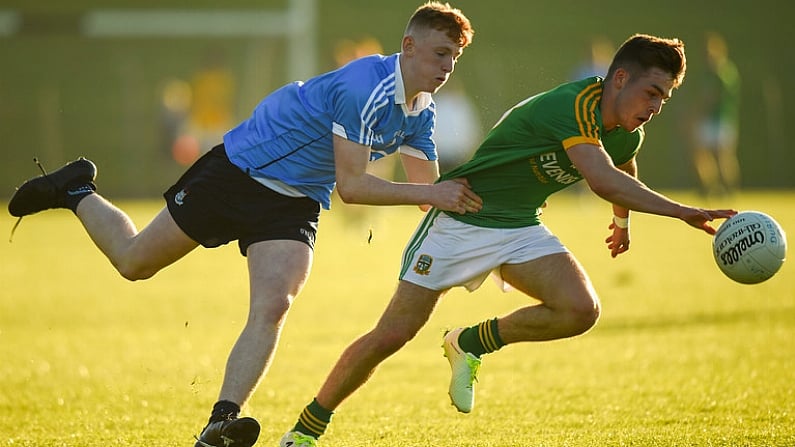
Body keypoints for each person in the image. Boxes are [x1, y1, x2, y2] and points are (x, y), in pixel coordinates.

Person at [6, 3, 478, 447]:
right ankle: (76, 191)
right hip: (240, 170)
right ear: (409, 46)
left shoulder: (421, 112)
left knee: (274, 303)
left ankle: (221, 421)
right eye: (440, 53)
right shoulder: (366, 88)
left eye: (454, 59)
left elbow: (429, 194)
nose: (446, 67)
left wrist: (488, 226)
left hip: (292, 202)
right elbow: (353, 188)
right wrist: (434, 195)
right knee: (134, 262)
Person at [279, 33, 737, 447]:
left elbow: (623, 167)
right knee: (391, 335)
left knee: (580, 309)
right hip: (462, 216)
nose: (656, 106)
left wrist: (623, 222)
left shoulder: (625, 130)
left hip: (519, 225)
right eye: (652, 93)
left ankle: (471, 342)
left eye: (665, 98)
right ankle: (306, 429)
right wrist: (680, 210)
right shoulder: (576, 104)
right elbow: (601, 179)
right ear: (619, 79)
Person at [690, 31, 741, 198]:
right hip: (711, 121)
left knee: (722, 156)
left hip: (720, 120)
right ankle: (710, 188)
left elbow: (710, 98)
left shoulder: (722, 73)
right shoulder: (709, 72)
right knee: (703, 155)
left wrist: (695, 114)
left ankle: (729, 189)